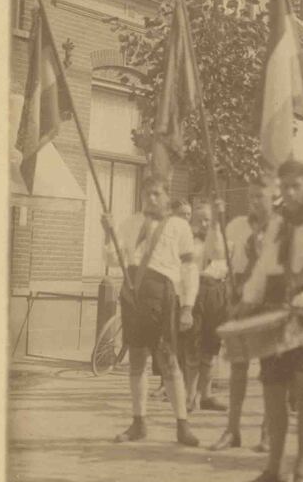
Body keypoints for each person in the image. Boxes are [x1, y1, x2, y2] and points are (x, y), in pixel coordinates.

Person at [238, 159, 303, 482]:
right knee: (273, 390)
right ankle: (274, 468)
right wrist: (248, 300)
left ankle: (302, 472)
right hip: (275, 310)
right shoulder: (278, 222)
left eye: (297, 186)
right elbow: (264, 268)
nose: (290, 193)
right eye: (285, 187)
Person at [102, 175, 199, 447]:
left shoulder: (179, 226)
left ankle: (182, 425)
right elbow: (113, 259)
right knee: (136, 359)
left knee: (169, 360)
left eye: (157, 193)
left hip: (162, 295)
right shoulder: (129, 223)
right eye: (147, 194)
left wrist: (188, 306)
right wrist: (108, 233)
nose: (151, 199)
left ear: (167, 196)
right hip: (133, 293)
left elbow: (189, 268)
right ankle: (139, 423)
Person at [210, 178, 276, 451]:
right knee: (238, 365)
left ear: (273, 197)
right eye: (251, 197)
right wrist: (216, 222)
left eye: (260, 196)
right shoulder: (238, 225)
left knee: (271, 369)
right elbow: (216, 253)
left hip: (269, 298)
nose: (254, 202)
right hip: (240, 297)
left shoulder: (282, 228)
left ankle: (268, 432)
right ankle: (232, 430)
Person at [181, 201, 228, 415]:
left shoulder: (221, 240)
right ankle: (190, 396)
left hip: (215, 292)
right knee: (193, 344)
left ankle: (206, 395)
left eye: (208, 219)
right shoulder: (187, 242)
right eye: (200, 220)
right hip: (194, 292)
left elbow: (222, 260)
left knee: (210, 346)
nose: (204, 224)